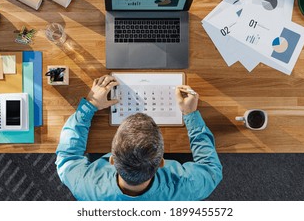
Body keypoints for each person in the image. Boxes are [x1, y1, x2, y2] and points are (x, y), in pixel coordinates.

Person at [55, 75, 222, 200]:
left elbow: (67, 157)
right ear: (162, 162)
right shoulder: (187, 187)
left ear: (112, 159)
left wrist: (91, 104)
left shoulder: (85, 186)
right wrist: (190, 114)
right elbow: (212, 169)